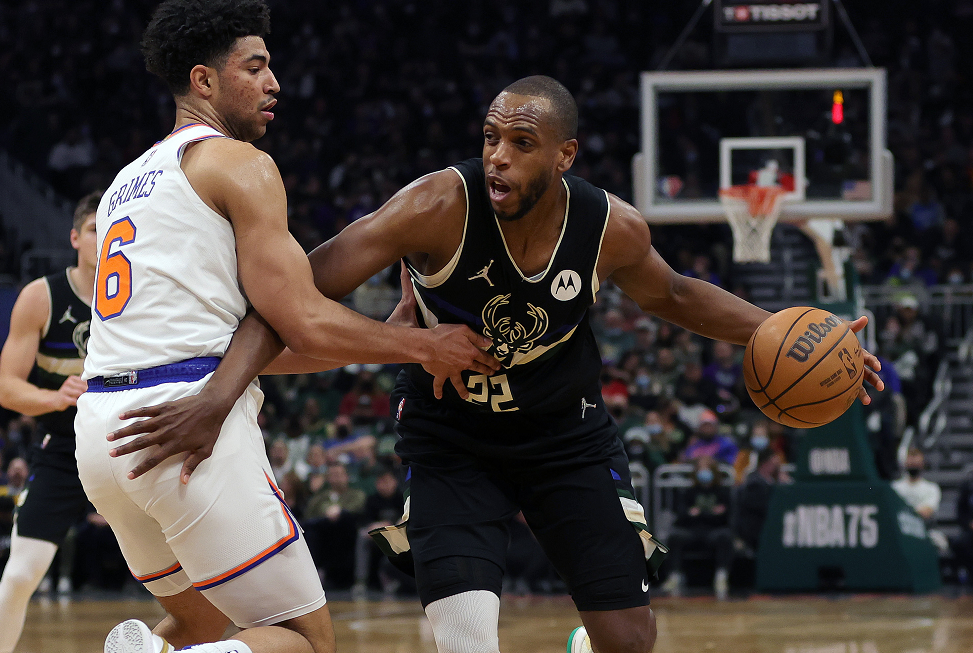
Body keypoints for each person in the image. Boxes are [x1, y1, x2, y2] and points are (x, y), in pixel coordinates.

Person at [107, 75, 883, 653]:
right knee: (465, 638)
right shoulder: (435, 206)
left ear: (564, 154)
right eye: (489, 138)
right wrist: (218, 395)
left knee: (628, 639)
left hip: (565, 437)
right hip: (452, 441)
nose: (497, 158)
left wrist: (791, 331)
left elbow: (675, 293)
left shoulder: (607, 227)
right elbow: (290, 293)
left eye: (520, 144)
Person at [73, 2, 498, 653]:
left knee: (198, 624)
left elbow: (252, 344)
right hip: (186, 423)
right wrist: (424, 344)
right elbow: (300, 318)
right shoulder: (237, 163)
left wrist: (382, 343)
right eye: (255, 67)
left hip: (103, 434)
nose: (274, 83)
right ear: (204, 80)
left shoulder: (124, 184)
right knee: (306, 641)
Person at [0, 192, 97, 653]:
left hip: (131, 444)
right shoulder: (42, 296)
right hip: (63, 449)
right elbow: (6, 387)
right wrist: (55, 398)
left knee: (192, 573)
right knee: (20, 576)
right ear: (75, 237)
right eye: (95, 229)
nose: (105, 238)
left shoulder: (143, 294)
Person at [659, 456, 734, 600]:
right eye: (701, 469)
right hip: (692, 531)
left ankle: (721, 577)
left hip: (714, 531)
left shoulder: (722, 492)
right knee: (675, 536)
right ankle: (674, 576)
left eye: (707, 468)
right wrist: (709, 513)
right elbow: (682, 516)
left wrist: (699, 513)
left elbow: (726, 516)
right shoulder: (689, 492)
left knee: (725, 537)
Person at [891, 448, 950, 556]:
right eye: (911, 463)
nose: (913, 466)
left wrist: (904, 511)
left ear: (922, 465)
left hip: (924, 529)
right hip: (898, 530)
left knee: (939, 542)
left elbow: (926, 512)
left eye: (916, 464)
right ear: (905, 464)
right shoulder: (895, 487)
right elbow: (891, 512)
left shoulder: (931, 488)